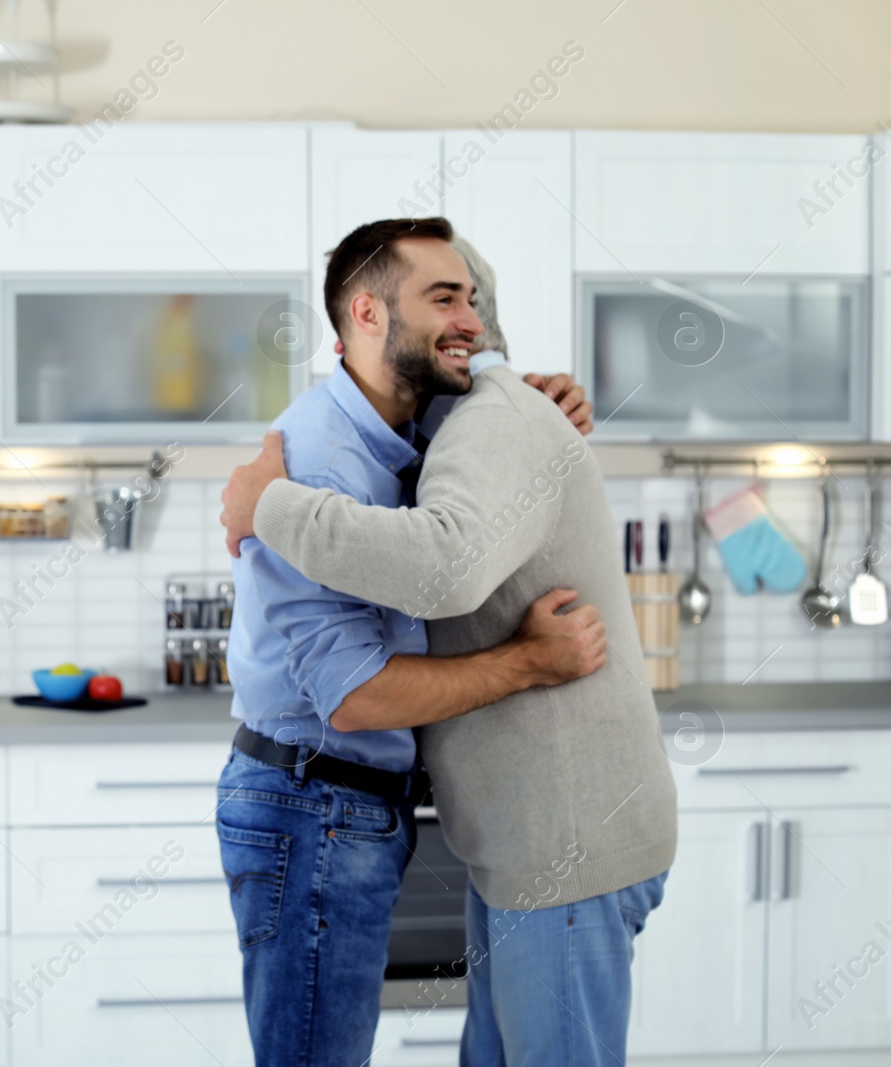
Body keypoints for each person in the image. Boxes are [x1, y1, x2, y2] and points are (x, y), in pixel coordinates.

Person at [220, 227, 676, 1067]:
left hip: (540, 839)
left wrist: (266, 506)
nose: (467, 319)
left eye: (472, 299)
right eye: (443, 298)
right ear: (367, 313)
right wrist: (530, 661)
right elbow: (357, 691)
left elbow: (446, 557)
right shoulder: (320, 456)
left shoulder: (461, 424)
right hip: (316, 801)